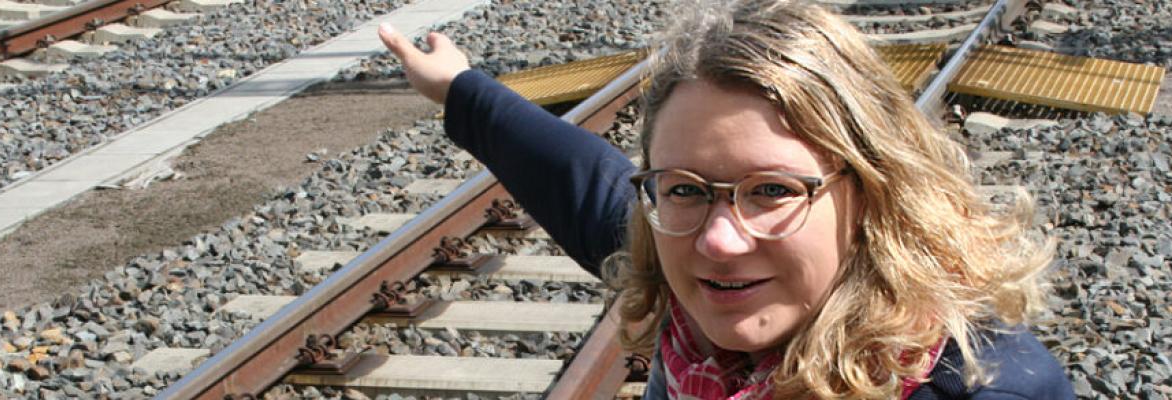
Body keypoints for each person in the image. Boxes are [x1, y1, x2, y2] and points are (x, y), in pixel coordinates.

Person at [377, 0, 1073, 398]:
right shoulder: (688, 273)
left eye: (771, 191)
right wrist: (462, 89)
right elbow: (579, 179)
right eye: (684, 189)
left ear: (872, 193)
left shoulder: (984, 389)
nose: (717, 241)